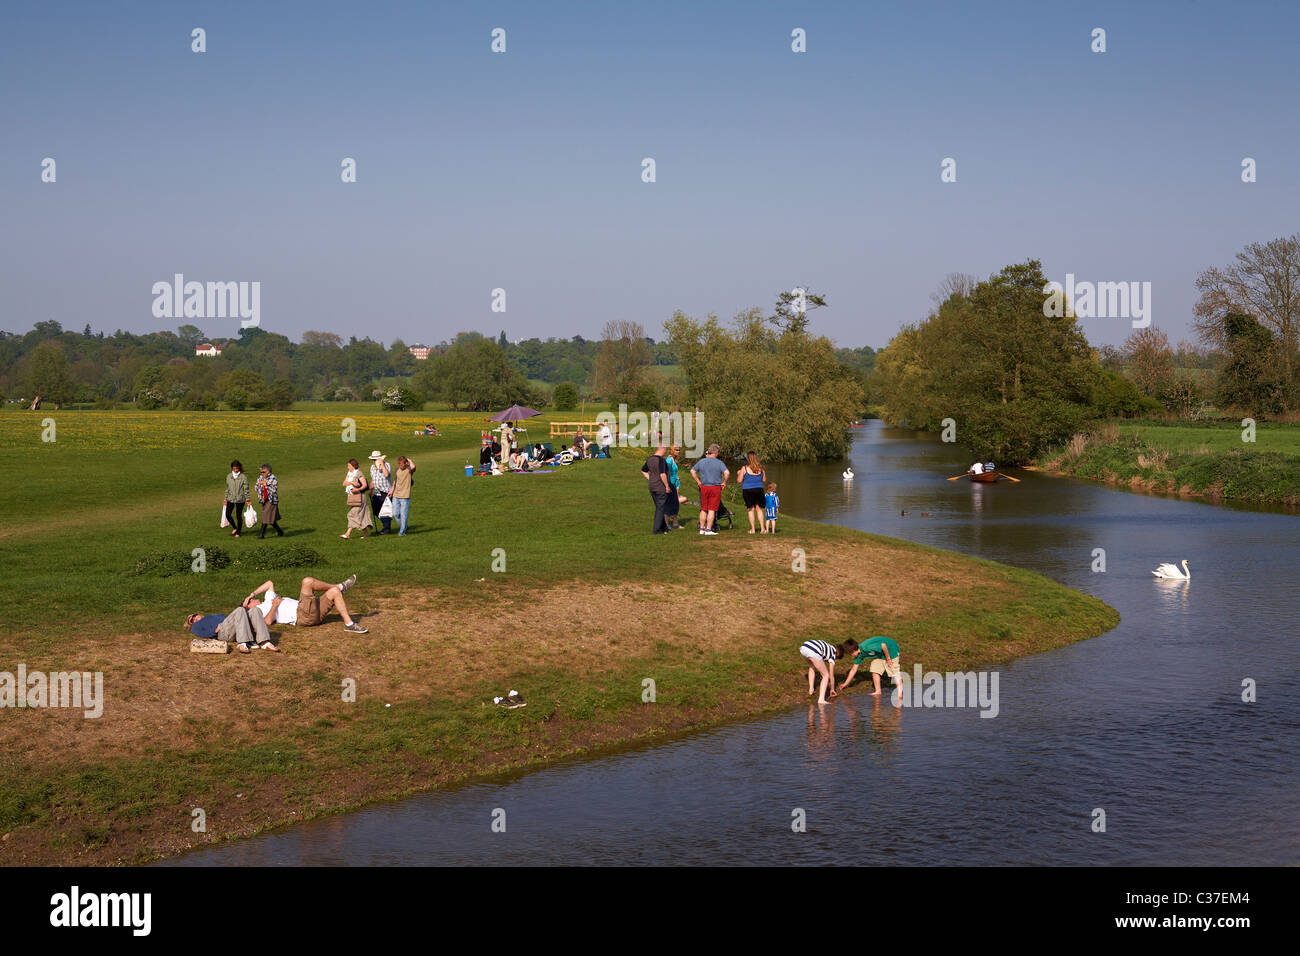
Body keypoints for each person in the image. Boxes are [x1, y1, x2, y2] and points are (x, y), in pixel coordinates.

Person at [242, 574, 369, 633]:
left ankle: (349, 624)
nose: (252, 600)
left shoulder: (267, 600)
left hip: (311, 612)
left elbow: (269, 583)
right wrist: (275, 605)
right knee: (307, 581)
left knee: (334, 592)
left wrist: (251, 594)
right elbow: (267, 622)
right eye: (249, 602)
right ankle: (341, 586)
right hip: (303, 615)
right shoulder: (258, 610)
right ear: (248, 608)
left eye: (250, 599)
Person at [186, 606, 276, 654]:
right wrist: (214, 630)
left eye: (194, 616)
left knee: (255, 610)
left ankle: (264, 642)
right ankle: (242, 643)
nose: (194, 618)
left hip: (233, 629)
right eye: (191, 620)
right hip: (222, 632)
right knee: (240, 609)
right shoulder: (195, 626)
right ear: (191, 624)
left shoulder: (213, 616)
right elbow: (203, 634)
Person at [800, 638, 857, 704]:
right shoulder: (833, 655)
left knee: (812, 666)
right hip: (814, 651)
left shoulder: (829, 647)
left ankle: (811, 689)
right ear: (838, 655)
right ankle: (821, 700)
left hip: (804, 647)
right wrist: (832, 689)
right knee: (826, 675)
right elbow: (831, 675)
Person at [690, 444, 730, 536]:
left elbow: (692, 471)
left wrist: (698, 481)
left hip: (704, 487)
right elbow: (727, 473)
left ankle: (701, 529)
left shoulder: (702, 461)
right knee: (711, 509)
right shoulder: (719, 463)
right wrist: (724, 482)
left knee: (703, 509)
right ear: (716, 453)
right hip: (715, 487)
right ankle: (708, 530)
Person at [642, 443, 671, 534]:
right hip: (660, 487)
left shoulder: (650, 459)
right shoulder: (661, 460)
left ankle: (664, 528)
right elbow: (663, 474)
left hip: (652, 486)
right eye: (665, 449)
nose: (666, 450)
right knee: (660, 508)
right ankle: (657, 530)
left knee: (659, 507)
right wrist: (667, 486)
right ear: (662, 449)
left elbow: (643, 470)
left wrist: (650, 478)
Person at [341, 458, 373, 539]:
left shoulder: (359, 473)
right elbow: (344, 483)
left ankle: (347, 533)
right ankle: (366, 534)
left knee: (352, 514)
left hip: (360, 497)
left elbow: (365, 485)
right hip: (353, 497)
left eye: (348, 465)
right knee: (359, 515)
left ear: (352, 466)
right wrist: (351, 482)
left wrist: (357, 489)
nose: (347, 467)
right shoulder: (349, 474)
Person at [738, 451, 767, 534]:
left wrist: (739, 473)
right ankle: (762, 529)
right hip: (759, 489)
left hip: (748, 490)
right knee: (759, 509)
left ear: (748, 458)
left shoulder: (744, 468)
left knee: (750, 510)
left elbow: (739, 480)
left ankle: (753, 530)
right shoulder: (761, 468)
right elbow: (764, 480)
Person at [255, 463, 284, 539]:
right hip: (263, 500)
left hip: (271, 500)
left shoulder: (273, 478)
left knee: (265, 516)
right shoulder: (260, 478)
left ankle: (261, 535)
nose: (262, 473)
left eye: (263, 472)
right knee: (270, 518)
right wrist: (258, 485)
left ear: (268, 472)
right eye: (261, 472)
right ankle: (280, 531)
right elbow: (255, 488)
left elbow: (274, 489)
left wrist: (266, 484)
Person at [391, 455, 416, 535]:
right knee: (395, 514)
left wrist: (410, 460)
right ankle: (404, 526)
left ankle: (402, 532)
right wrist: (391, 490)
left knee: (403, 514)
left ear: (406, 463)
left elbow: (413, 467)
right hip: (396, 495)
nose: (401, 466)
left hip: (405, 496)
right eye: (399, 464)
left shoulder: (409, 469)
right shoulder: (397, 469)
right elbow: (395, 480)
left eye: (402, 464)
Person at [224, 460, 249, 538]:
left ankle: (239, 532)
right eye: (234, 468)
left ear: (239, 468)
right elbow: (227, 488)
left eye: (237, 468)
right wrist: (225, 498)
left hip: (240, 499)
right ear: (232, 468)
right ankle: (235, 528)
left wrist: (248, 499)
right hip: (230, 498)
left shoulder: (243, 477)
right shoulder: (229, 476)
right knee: (227, 514)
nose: (235, 470)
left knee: (238, 516)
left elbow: (246, 489)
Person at [664, 445, 683, 530]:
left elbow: (673, 472)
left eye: (679, 450)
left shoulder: (673, 459)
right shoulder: (669, 460)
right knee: (669, 504)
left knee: (676, 504)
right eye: (676, 450)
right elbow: (666, 472)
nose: (678, 451)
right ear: (671, 450)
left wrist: (677, 477)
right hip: (671, 484)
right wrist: (669, 483)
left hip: (675, 483)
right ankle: (666, 524)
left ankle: (675, 522)